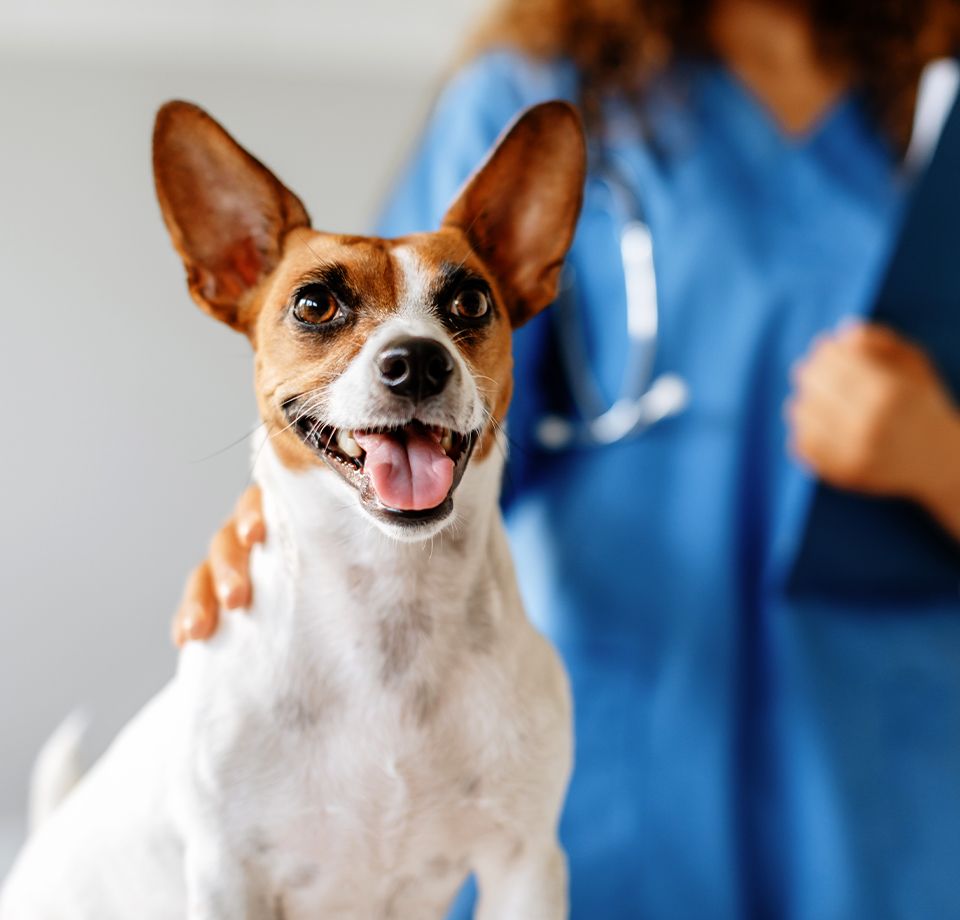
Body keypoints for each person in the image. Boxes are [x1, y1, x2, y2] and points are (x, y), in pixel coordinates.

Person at [173, 1, 960, 916]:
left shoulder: (937, 117)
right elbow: (382, 402)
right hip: (623, 744)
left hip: (888, 767)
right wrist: (268, 538)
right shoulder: (533, 97)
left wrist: (944, 459)